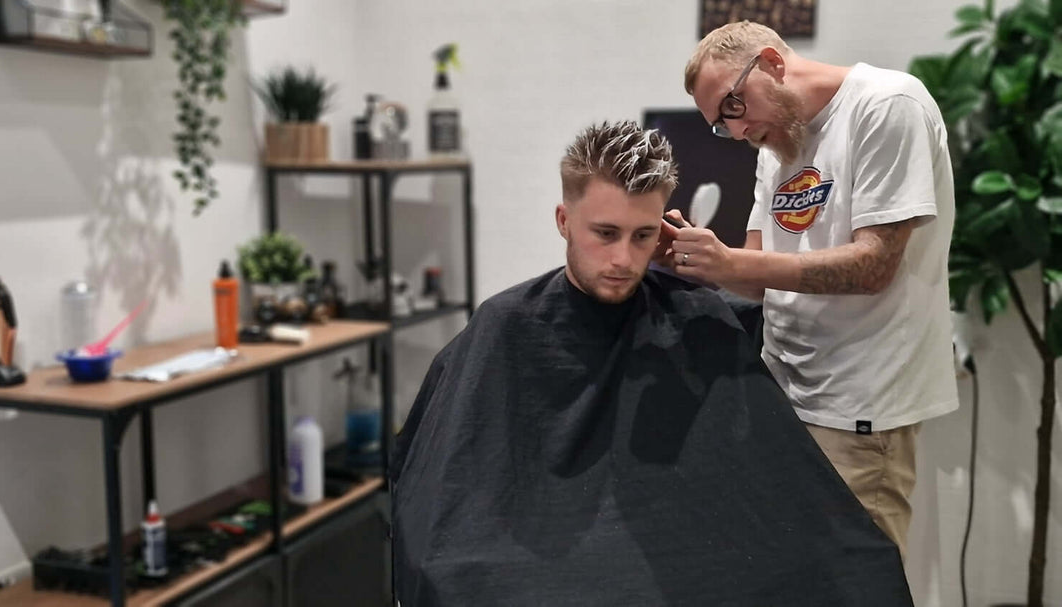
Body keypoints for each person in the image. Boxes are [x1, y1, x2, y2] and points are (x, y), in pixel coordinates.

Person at [391, 120, 913, 606]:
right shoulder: (504, 325)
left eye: (643, 236)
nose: (623, 259)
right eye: (605, 233)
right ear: (563, 221)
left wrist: (704, 281)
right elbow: (444, 494)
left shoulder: (694, 313)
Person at [673, 20, 959, 558]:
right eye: (719, 124)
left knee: (856, 586)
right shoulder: (776, 145)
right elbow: (760, 276)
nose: (734, 131)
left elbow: (875, 266)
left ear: (773, 65)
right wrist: (704, 259)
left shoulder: (888, 106)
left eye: (732, 107)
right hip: (785, 395)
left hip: (860, 407)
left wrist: (733, 261)